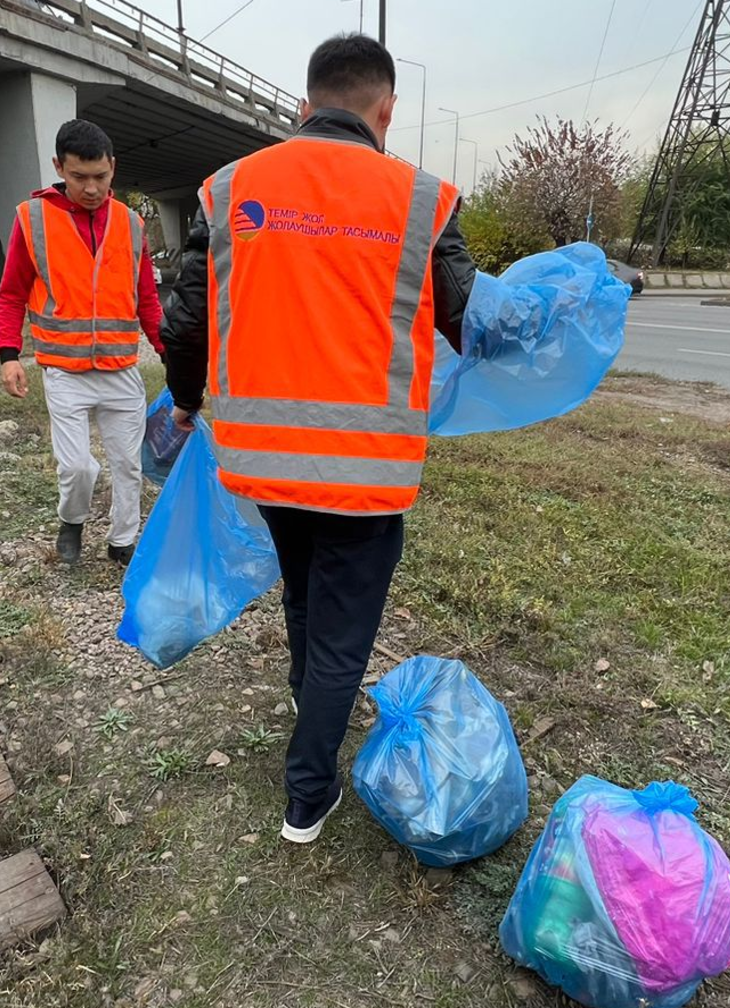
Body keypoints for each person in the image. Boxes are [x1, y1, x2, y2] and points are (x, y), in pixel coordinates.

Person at [161, 35, 477, 843]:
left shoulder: (230, 188)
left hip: (262, 459)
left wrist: (186, 402)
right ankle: (308, 795)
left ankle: (310, 697)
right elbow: (467, 317)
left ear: (304, 106)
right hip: (366, 470)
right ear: (386, 111)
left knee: (304, 591)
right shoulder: (421, 198)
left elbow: (187, 319)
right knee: (343, 633)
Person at [0, 119, 165, 566]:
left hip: (120, 369)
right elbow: (10, 294)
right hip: (64, 371)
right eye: (79, 177)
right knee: (76, 467)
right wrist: (9, 355)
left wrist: (172, 354)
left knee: (128, 465)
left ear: (113, 167)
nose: (91, 189)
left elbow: (147, 299)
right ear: (59, 167)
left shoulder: (131, 223)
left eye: (100, 177)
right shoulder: (32, 219)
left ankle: (122, 540)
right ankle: (71, 520)